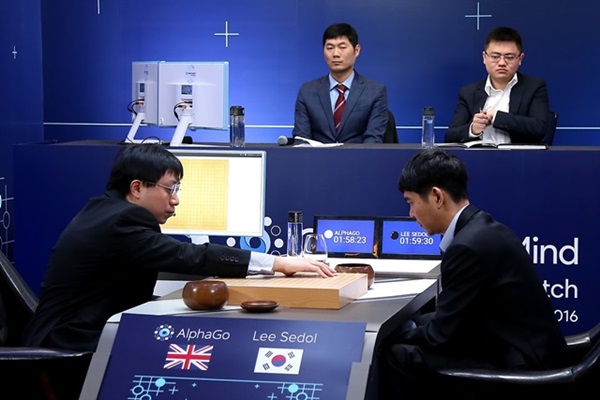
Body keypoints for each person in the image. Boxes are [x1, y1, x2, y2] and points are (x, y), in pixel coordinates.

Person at [23, 144, 334, 354]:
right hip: (71, 345)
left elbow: (173, 256)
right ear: (137, 188)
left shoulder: (105, 210)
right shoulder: (120, 221)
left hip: (79, 331)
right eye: (170, 189)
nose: (176, 199)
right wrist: (277, 263)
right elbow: (188, 256)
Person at [378, 149, 568, 398]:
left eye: (411, 203)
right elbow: (454, 319)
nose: (411, 214)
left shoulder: (466, 247)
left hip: (522, 366)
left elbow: (439, 336)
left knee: (396, 354)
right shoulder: (481, 227)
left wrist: (389, 335)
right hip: (521, 347)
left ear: (437, 196)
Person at [445, 27, 549, 145]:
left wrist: (496, 117)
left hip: (517, 155)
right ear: (485, 57)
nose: (502, 63)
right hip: (479, 154)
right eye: (495, 56)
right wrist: (473, 129)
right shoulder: (468, 93)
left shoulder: (534, 87)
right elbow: (450, 136)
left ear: (520, 59)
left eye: (509, 57)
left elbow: (539, 128)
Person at [292, 22, 389, 144]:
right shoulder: (307, 91)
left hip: (359, 156)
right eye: (330, 48)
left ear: (356, 50)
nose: (336, 54)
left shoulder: (375, 92)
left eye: (342, 47)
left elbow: (373, 141)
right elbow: (302, 140)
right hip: (317, 156)